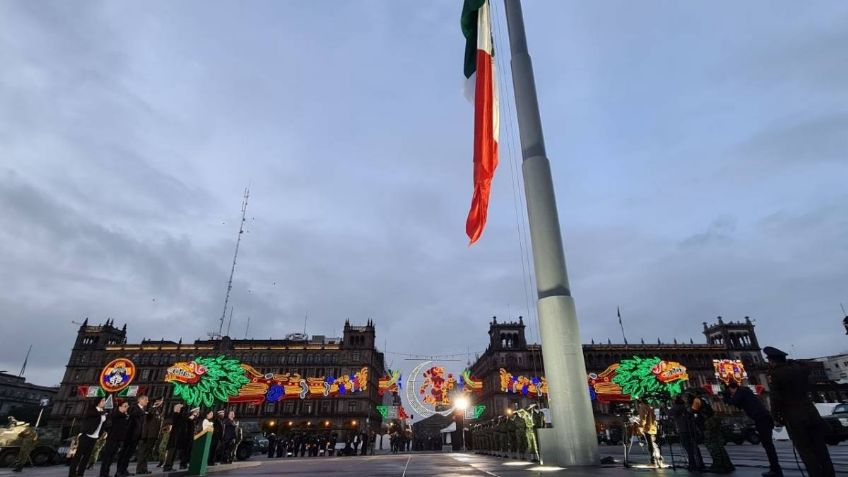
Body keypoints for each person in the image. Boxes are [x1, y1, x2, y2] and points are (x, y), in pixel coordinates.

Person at [765, 346, 835, 477]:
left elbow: (775, 398)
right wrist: (795, 363)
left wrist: (775, 417)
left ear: (772, 361)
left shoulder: (775, 374)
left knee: (806, 451)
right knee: (821, 449)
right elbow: (807, 368)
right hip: (811, 412)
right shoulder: (798, 369)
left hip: (794, 417)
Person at [724, 380, 782, 476]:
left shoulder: (741, 392)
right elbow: (738, 404)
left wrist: (725, 398)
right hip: (764, 418)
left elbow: (733, 401)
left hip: (762, 419)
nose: (731, 393)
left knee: (768, 445)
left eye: (730, 391)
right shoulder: (745, 391)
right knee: (768, 445)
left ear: (732, 388)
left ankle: (775, 469)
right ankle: (775, 468)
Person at [691, 393, 733, 473]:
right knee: (719, 445)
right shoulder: (704, 400)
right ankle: (727, 464)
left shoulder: (696, 400)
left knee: (712, 445)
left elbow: (692, 411)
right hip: (713, 423)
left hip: (708, 424)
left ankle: (718, 465)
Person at [69, 397, 109, 477]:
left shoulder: (103, 412)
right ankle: (72, 474)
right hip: (86, 435)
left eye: (104, 401)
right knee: (78, 456)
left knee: (86, 457)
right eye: (103, 401)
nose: (104, 402)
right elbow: (94, 414)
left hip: (95, 437)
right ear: (98, 402)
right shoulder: (92, 409)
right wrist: (103, 413)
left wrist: (101, 433)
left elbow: (103, 424)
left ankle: (80, 474)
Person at [669, 395, 703, 471]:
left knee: (688, 448)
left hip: (683, 430)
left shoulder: (677, 407)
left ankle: (692, 464)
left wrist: (664, 406)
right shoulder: (686, 407)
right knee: (694, 447)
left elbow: (670, 414)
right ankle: (699, 463)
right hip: (690, 429)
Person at [116, 395, 147, 477]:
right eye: (145, 400)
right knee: (124, 453)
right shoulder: (134, 407)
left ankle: (124, 470)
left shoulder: (143, 410)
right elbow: (132, 414)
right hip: (130, 435)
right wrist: (143, 413)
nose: (147, 401)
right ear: (140, 400)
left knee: (129, 454)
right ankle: (119, 471)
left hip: (136, 436)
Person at [99, 402, 130, 477]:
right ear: (119, 407)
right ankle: (103, 473)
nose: (126, 407)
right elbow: (115, 416)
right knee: (107, 456)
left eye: (127, 406)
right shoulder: (116, 414)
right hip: (112, 438)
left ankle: (106, 472)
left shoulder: (125, 416)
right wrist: (125, 415)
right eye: (125, 406)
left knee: (112, 457)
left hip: (119, 439)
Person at [135, 396, 163, 475]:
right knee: (143, 452)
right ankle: (139, 469)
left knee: (147, 453)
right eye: (160, 401)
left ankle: (144, 469)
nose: (161, 402)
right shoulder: (151, 409)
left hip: (153, 435)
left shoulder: (159, 410)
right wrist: (154, 406)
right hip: (147, 435)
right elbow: (148, 416)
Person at [637, 400, 662, 467]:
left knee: (650, 443)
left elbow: (643, 418)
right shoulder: (653, 405)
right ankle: (659, 456)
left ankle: (653, 457)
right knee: (655, 443)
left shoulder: (643, 407)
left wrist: (640, 427)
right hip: (654, 427)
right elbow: (657, 416)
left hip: (647, 428)